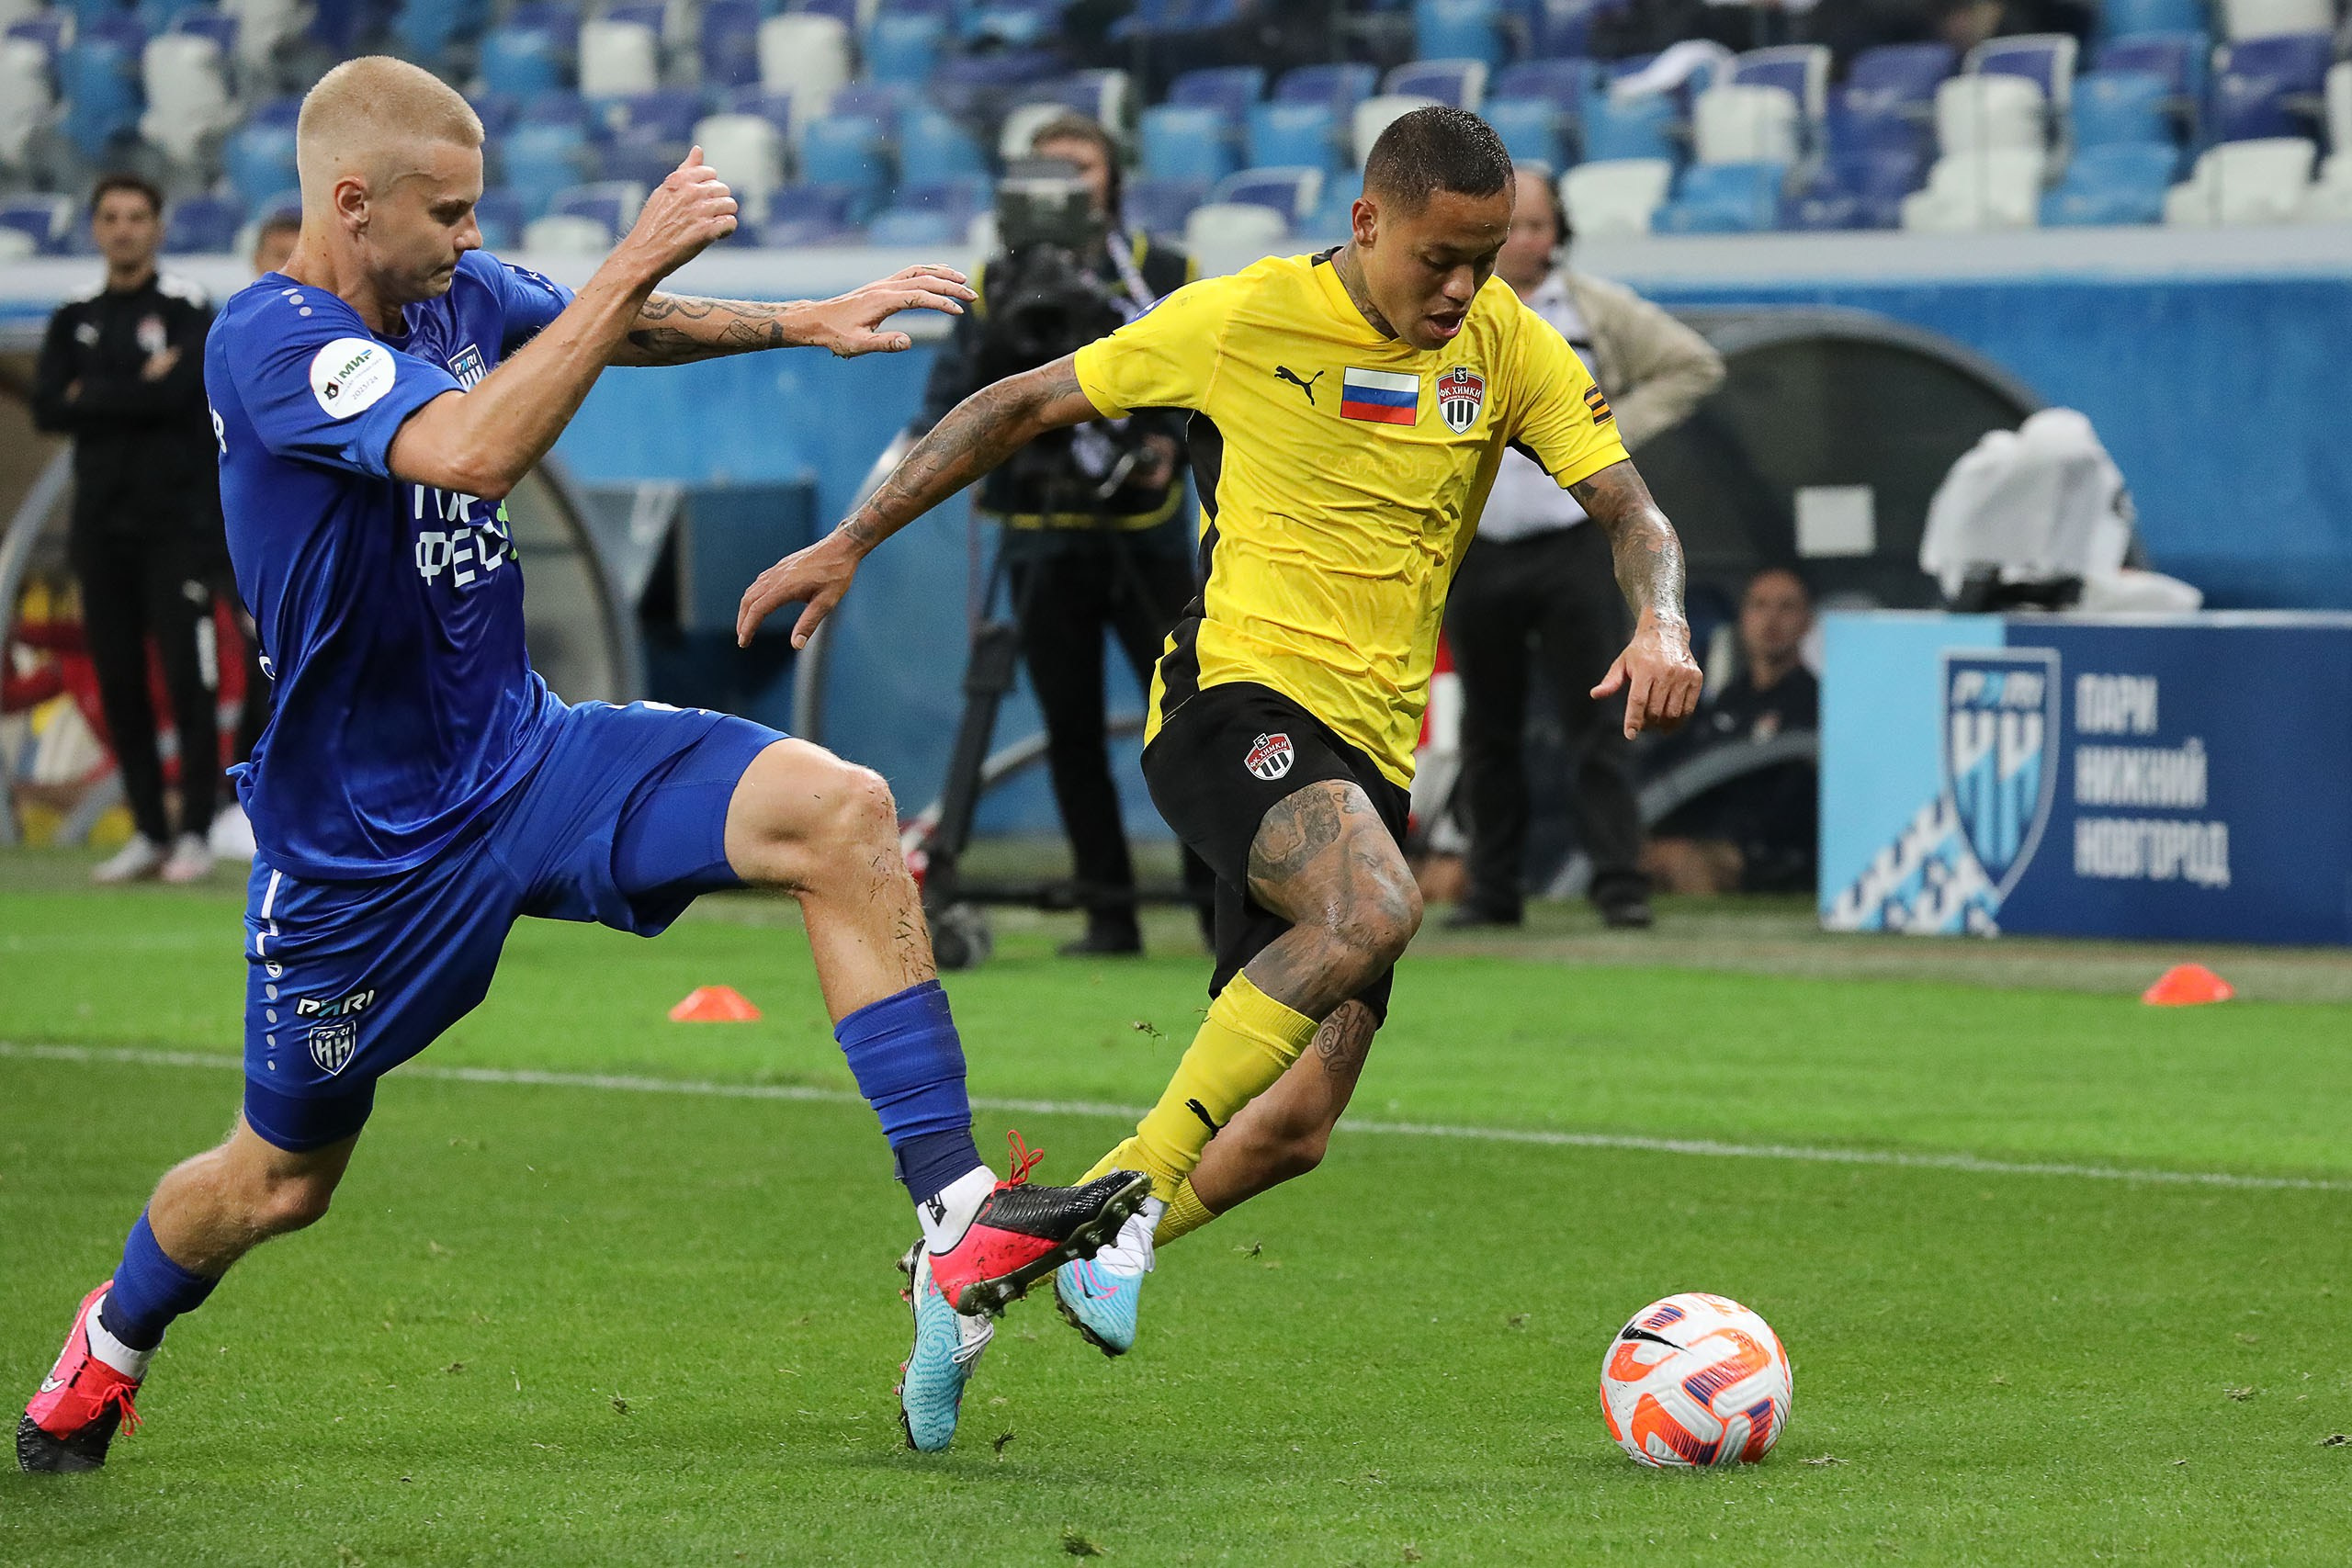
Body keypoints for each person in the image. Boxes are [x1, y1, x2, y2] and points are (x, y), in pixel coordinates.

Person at [17, 57, 1147, 1477]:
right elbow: (474, 450)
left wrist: (805, 319)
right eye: (452, 213)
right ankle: (109, 1344)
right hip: (365, 860)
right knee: (278, 1179)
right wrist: (634, 255)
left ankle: (954, 1210)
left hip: (532, 758)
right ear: (353, 204)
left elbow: (625, 327)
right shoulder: (267, 338)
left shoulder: (452, 292)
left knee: (843, 811)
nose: (474, 239)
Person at [739, 107, 1703, 1419]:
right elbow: (1021, 399)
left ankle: (978, 1273)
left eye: (1486, 258)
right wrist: (852, 538)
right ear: (1367, 223)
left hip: (1368, 755)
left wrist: (1663, 614)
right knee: (1373, 907)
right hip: (1228, 697)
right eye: (1441, 256)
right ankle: (1121, 1197)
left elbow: (1631, 508)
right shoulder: (1242, 317)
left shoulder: (1507, 343)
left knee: (1296, 1128)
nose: (1466, 286)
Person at [913, 112, 1209, 956]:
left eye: (1080, 169)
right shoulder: (996, 278)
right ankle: (1106, 914)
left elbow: (1205, 380)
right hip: (1040, 533)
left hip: (1144, 534)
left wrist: (1159, 445)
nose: (1065, 187)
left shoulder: (1161, 270)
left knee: (1189, 716)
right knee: (1072, 731)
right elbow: (956, 395)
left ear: (1114, 176)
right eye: (1047, 171)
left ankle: (1215, 907)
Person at [1444, 165, 1725, 931]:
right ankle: (1491, 888)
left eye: (1540, 227)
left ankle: (1619, 885)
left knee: (1599, 720)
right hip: (1480, 543)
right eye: (1515, 227)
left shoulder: (1593, 308)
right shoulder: (1455, 305)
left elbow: (1694, 363)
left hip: (1573, 541)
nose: (1528, 241)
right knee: (1486, 729)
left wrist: (1607, 428)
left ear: (1559, 233)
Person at [31, 175, 226, 886]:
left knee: (189, 681)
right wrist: (139, 388)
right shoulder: (71, 317)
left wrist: (98, 396)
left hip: (176, 531)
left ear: (158, 226)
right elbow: (50, 407)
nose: (123, 229)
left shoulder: (187, 308)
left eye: (136, 216)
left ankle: (197, 830)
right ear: (94, 228)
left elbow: (180, 392)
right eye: (111, 217)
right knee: (120, 685)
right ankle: (148, 829)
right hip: (100, 531)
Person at [208, 211, 311, 863]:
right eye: (275, 255)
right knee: (258, 681)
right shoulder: (237, 341)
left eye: (294, 254)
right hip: (258, 559)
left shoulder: (338, 345)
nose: (285, 267)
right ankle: (247, 812)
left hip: (319, 561)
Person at [1641, 567, 1820, 895]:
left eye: (1786, 607)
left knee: (1685, 860)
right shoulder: (1727, 700)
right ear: (1742, 619)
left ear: (1807, 622)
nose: (1772, 620)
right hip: (1707, 835)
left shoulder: (1814, 703)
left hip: (1773, 851)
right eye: (1759, 606)